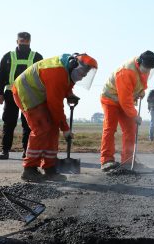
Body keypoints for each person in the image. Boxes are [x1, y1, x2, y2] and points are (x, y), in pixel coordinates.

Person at [11, 53, 98, 182]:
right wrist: (66, 128)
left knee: (52, 128)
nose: (82, 77)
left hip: (40, 93)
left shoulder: (67, 69)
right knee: (42, 128)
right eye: (81, 73)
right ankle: (29, 169)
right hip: (27, 91)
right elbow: (55, 105)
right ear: (74, 65)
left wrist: (69, 94)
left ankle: (50, 168)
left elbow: (66, 84)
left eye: (85, 74)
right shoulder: (57, 73)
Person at [100, 50, 154, 171]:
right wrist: (134, 115)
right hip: (111, 99)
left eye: (149, 69)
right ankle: (107, 160)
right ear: (139, 62)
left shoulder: (145, 68)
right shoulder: (126, 72)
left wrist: (141, 91)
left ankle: (128, 160)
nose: (147, 71)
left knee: (131, 129)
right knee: (110, 128)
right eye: (146, 68)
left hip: (125, 101)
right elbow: (125, 99)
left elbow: (140, 83)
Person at [0, 32, 43, 160]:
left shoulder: (37, 57)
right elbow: (0, 75)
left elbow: (43, 77)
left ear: (30, 42)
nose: (24, 43)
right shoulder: (8, 56)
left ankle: (27, 151)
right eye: (22, 41)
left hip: (30, 95)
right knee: (9, 123)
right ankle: (5, 150)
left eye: (26, 42)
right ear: (17, 41)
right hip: (11, 94)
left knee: (28, 124)